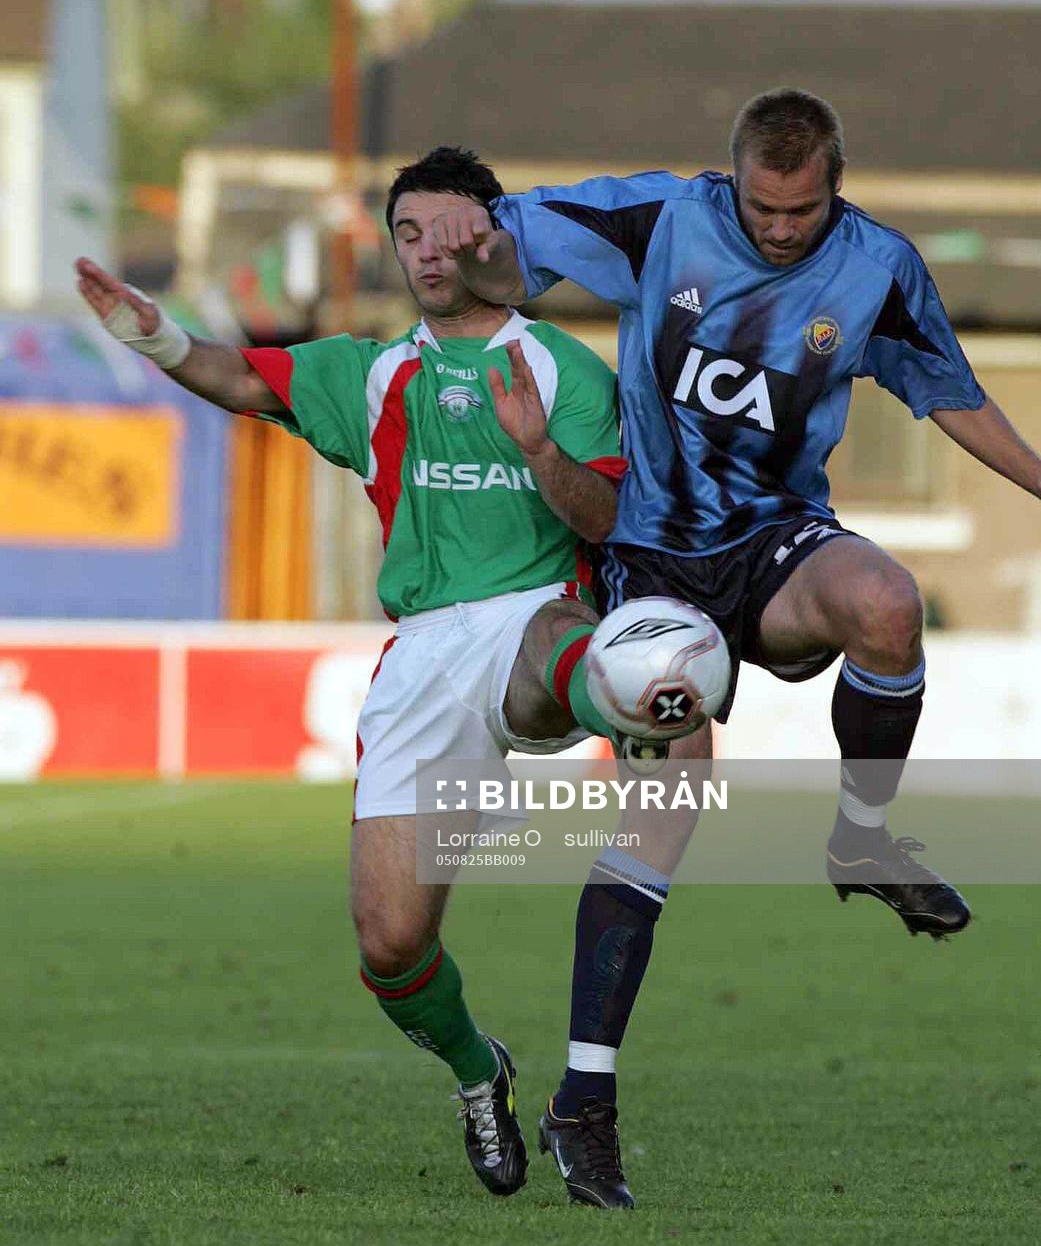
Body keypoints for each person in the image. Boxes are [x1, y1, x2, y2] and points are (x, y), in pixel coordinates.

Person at [433, 88, 1041, 1208]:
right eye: (763, 209)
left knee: (888, 604)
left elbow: (951, 395)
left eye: (800, 212)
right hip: (654, 558)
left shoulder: (878, 268)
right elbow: (507, 259)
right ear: (735, 180)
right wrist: (470, 246)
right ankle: (584, 1098)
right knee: (669, 809)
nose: (778, 230)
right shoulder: (663, 220)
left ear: (834, 189)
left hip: (773, 543)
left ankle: (863, 838)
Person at [75, 145, 645, 1202]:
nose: (431, 251)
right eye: (409, 233)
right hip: (424, 652)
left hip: (540, 621)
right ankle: (482, 1071)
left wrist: (538, 453)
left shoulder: (566, 369)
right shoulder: (374, 373)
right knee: (390, 945)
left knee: (580, 655)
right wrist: (143, 330)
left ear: (495, 238)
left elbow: (607, 518)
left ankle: (632, 702)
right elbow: (242, 375)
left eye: (452, 230)